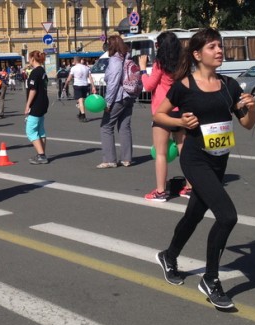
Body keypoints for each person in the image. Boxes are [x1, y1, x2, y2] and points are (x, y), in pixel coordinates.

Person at [153, 28, 255, 309]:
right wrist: (180, 123)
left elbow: (247, 125)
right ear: (198, 54)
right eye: (212, 47)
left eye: (220, 46)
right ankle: (210, 279)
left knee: (195, 214)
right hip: (195, 160)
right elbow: (159, 114)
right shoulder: (184, 86)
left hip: (218, 160)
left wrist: (251, 108)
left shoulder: (229, 85)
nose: (220, 50)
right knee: (227, 216)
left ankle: (169, 255)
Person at [139, 31, 190, 201]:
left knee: (160, 153)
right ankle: (190, 187)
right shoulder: (184, 63)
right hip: (180, 109)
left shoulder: (160, 64)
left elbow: (149, 85)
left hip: (162, 111)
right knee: (185, 150)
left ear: (160, 47)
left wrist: (142, 70)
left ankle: (161, 191)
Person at [98, 36, 135, 168]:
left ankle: (110, 160)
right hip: (129, 95)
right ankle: (126, 159)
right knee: (125, 126)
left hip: (118, 97)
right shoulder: (127, 57)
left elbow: (113, 83)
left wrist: (108, 103)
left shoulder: (115, 61)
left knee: (106, 127)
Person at [24, 50, 50, 165]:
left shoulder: (35, 72)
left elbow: (33, 90)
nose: (28, 61)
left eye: (29, 58)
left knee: (30, 130)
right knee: (40, 129)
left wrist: (27, 105)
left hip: (37, 103)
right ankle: (42, 152)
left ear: (33, 59)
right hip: (44, 101)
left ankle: (41, 155)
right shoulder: (42, 71)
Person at [65, 56, 96, 123]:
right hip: (85, 85)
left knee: (80, 101)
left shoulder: (73, 68)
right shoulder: (86, 68)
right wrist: (93, 86)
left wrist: (66, 84)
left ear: (75, 61)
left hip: (77, 85)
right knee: (82, 100)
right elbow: (90, 78)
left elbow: (69, 78)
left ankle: (83, 115)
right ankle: (80, 114)